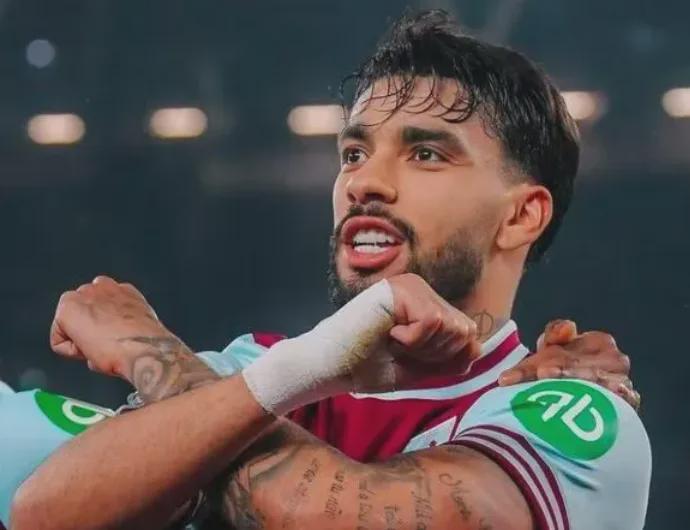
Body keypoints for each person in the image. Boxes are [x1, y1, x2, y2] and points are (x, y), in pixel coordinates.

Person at [9, 9, 650, 530]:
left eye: (426, 154)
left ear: (521, 216)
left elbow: (326, 517)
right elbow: (45, 512)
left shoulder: (578, 417)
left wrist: (145, 350)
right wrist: (290, 372)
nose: (363, 182)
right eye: (353, 152)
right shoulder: (249, 366)